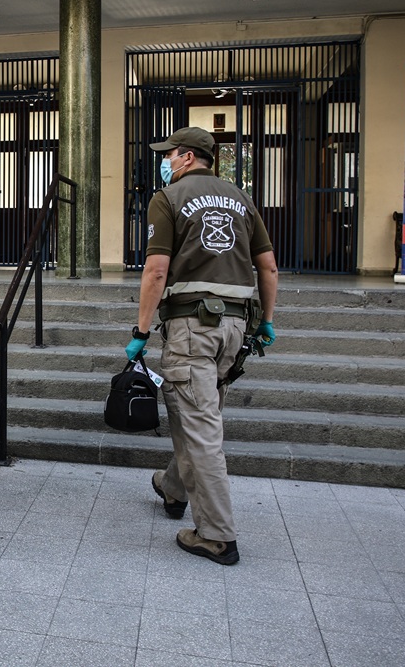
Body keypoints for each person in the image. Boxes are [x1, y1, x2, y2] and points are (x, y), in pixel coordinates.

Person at [131, 126, 278, 566]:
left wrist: (139, 333)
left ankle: (217, 537)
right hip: (235, 327)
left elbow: (156, 271)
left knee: (200, 429)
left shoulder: (170, 196)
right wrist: (266, 322)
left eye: (169, 154)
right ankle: (173, 489)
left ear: (186, 156)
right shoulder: (241, 198)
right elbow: (268, 268)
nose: (166, 161)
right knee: (201, 415)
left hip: (192, 326)